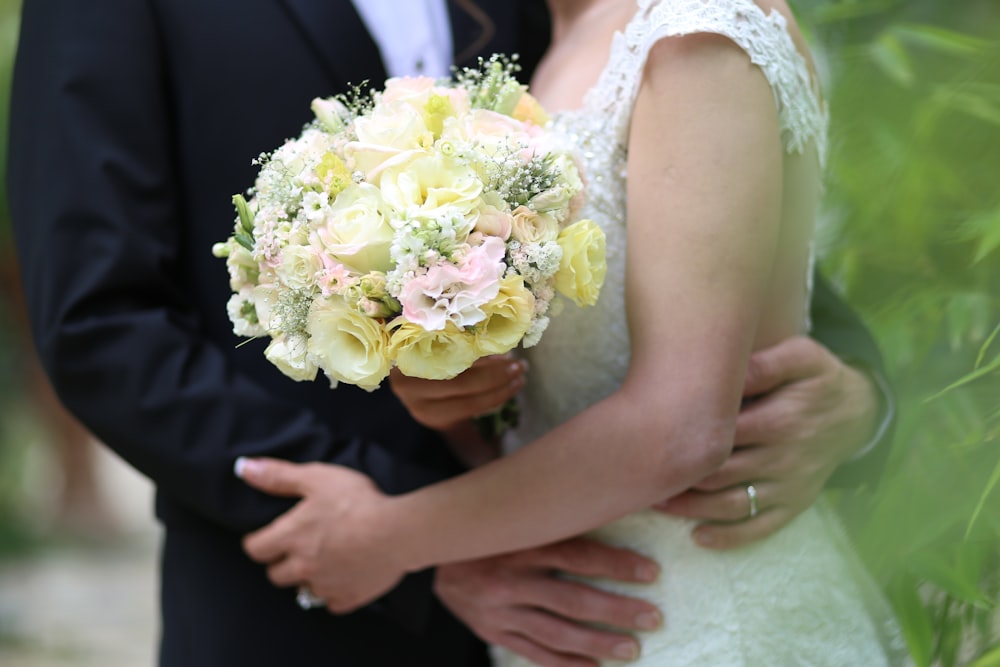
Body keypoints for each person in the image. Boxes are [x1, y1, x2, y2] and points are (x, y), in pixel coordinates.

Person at [8, 0, 891, 665]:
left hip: (660, 593)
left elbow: (718, 248)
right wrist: (409, 529)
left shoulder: (652, 25)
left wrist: (857, 395)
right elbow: (100, 322)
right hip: (307, 608)